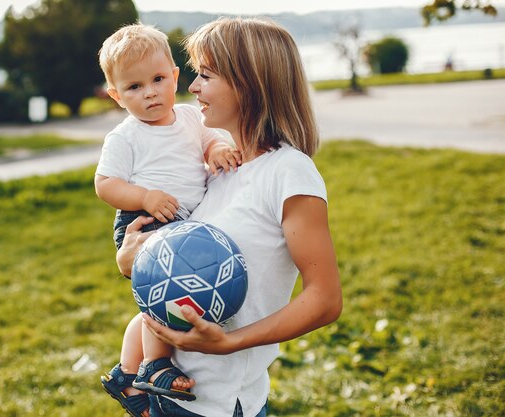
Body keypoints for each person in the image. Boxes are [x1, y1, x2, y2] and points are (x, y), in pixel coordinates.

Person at [116, 17, 343, 417]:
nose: (192, 87)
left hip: (218, 404)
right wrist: (133, 258)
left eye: (205, 74)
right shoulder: (220, 172)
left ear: (248, 82)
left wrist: (229, 343)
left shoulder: (290, 172)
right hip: (170, 392)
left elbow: (324, 299)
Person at [95, 23, 242, 417]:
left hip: (182, 222)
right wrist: (144, 195)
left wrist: (217, 150)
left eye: (158, 79)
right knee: (161, 300)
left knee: (155, 305)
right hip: (146, 221)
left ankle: (125, 375)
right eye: (134, 87)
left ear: (175, 76)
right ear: (116, 95)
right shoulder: (125, 138)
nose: (150, 93)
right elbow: (105, 184)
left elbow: (210, 140)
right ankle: (155, 364)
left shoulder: (192, 118)